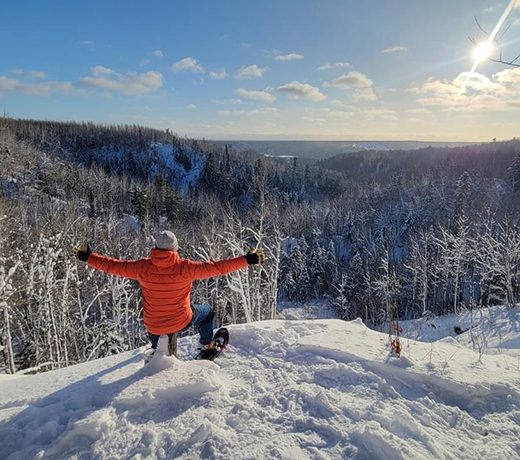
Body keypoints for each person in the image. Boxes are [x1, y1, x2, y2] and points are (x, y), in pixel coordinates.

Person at [74, 230, 265, 360]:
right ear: (175, 249)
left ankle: (158, 354)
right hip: (182, 319)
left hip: (153, 325)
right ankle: (207, 347)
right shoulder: (185, 268)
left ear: (156, 248)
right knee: (208, 314)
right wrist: (246, 260)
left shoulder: (142, 268)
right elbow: (218, 268)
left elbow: (113, 266)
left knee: (159, 346)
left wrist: (89, 257)